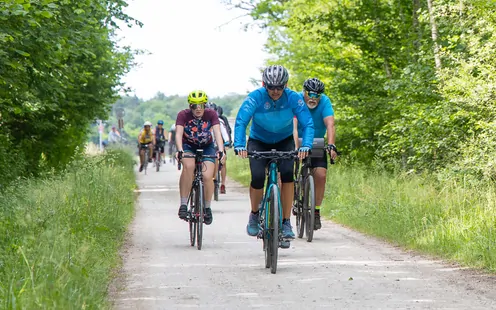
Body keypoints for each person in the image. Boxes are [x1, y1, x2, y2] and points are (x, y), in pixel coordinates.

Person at [233, 65, 315, 246]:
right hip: (258, 140)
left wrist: (306, 145)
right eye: (271, 87)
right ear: (264, 85)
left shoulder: (293, 98)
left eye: (280, 87)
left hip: (284, 141)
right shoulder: (255, 97)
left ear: (285, 85)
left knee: (287, 175)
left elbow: (307, 123)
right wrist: (239, 144)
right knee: (257, 176)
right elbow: (241, 121)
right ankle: (254, 214)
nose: (276, 91)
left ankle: (286, 222)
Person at [175, 90, 226, 225]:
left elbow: (217, 133)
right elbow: (178, 134)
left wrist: (221, 151)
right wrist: (180, 150)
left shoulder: (211, 114)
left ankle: (207, 208)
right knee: (189, 167)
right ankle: (184, 204)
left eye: (201, 106)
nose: (198, 109)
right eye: (194, 106)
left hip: (207, 146)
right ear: (190, 106)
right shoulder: (182, 115)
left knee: (207, 176)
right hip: (188, 146)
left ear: (205, 106)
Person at [293, 78, 338, 230]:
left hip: (317, 142)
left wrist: (331, 145)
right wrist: (294, 146)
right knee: (284, 173)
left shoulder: (325, 102)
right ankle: (290, 197)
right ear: (304, 92)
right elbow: (292, 125)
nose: (313, 98)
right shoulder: (296, 99)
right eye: (310, 94)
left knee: (321, 175)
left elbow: (330, 124)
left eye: (317, 95)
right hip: (297, 140)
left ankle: (316, 211)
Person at [216, 105, 232, 194]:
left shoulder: (221, 121)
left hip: (220, 144)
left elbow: (227, 132)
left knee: (222, 161)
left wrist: (227, 142)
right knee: (223, 162)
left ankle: (222, 183)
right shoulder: (222, 119)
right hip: (218, 144)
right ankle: (223, 183)